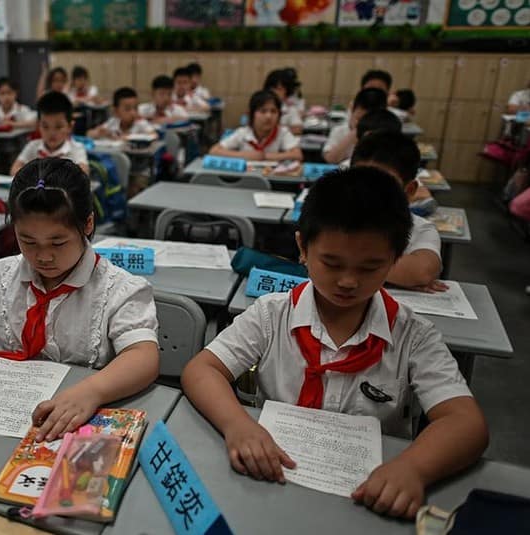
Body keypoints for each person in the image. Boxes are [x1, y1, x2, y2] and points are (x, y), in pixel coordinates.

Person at [182, 166, 488, 520]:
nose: (347, 281)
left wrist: (414, 468)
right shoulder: (272, 314)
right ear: (302, 248)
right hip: (271, 479)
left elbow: (467, 423)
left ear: (394, 259)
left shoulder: (411, 334)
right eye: (332, 263)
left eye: (370, 267)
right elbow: (202, 369)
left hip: (367, 494)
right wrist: (238, 424)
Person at [0, 158, 160, 441]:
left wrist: (93, 391)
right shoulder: (0, 277)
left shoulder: (118, 289)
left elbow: (143, 357)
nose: (43, 256)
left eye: (58, 243)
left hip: (76, 418)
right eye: (28, 241)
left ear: (88, 224)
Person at [351, 131, 443, 291]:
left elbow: (421, 272)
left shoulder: (420, 228)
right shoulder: (331, 217)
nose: (368, 192)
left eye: (383, 186)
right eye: (359, 181)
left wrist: (342, 263)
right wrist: (398, 276)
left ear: (409, 190)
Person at [209, 90, 302, 162]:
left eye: (273, 111)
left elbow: (298, 155)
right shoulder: (243, 133)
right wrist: (244, 155)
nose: (269, 116)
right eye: (263, 111)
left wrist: (265, 156)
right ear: (251, 114)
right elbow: (214, 151)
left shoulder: (282, 132)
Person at [11, 91, 88, 176]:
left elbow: (83, 174)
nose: (51, 133)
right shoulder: (33, 146)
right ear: (38, 125)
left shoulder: (76, 149)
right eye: (45, 127)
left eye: (58, 127)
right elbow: (14, 170)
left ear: (70, 127)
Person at [323, 88, 387, 164]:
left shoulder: (383, 134)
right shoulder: (339, 131)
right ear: (352, 110)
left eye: (368, 120)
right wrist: (352, 136)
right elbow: (330, 159)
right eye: (358, 119)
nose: (362, 124)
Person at [87, 87, 155, 139]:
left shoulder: (140, 122)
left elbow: (154, 135)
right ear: (116, 112)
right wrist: (99, 133)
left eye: (135, 108)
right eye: (128, 109)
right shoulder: (113, 122)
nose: (133, 113)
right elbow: (89, 134)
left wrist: (125, 138)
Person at [263, 68, 304, 135]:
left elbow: (297, 130)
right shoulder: (259, 105)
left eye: (279, 89)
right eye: (272, 89)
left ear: (286, 91)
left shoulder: (290, 109)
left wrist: (275, 129)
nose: (275, 92)